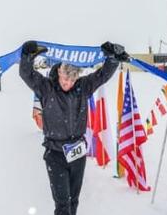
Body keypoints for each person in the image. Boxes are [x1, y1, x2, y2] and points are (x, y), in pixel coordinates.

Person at [19, 41, 128, 215]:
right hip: (55, 154)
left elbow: (102, 75)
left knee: (73, 201)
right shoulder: (46, 88)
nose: (68, 83)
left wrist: (113, 59)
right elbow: (27, 75)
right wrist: (26, 57)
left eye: (72, 79)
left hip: (77, 153)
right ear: (59, 72)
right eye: (65, 78)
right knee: (63, 204)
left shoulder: (83, 87)